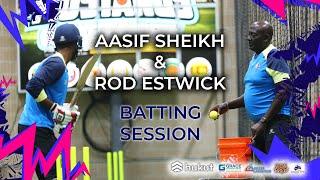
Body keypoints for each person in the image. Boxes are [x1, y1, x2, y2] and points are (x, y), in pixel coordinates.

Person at [210, 21, 295, 156]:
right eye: (249, 34)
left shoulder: (273, 57)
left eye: (253, 35)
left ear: (266, 38)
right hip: (261, 125)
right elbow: (252, 95)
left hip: (276, 123)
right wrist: (226, 105)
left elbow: (284, 91)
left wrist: (263, 121)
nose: (248, 38)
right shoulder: (255, 58)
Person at [18, 23, 82, 180]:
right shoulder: (57, 64)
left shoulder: (54, 63)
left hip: (33, 129)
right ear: (75, 44)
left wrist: (63, 110)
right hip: (36, 130)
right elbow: (32, 86)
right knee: (54, 174)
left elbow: (41, 91)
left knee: (53, 174)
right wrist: (54, 107)